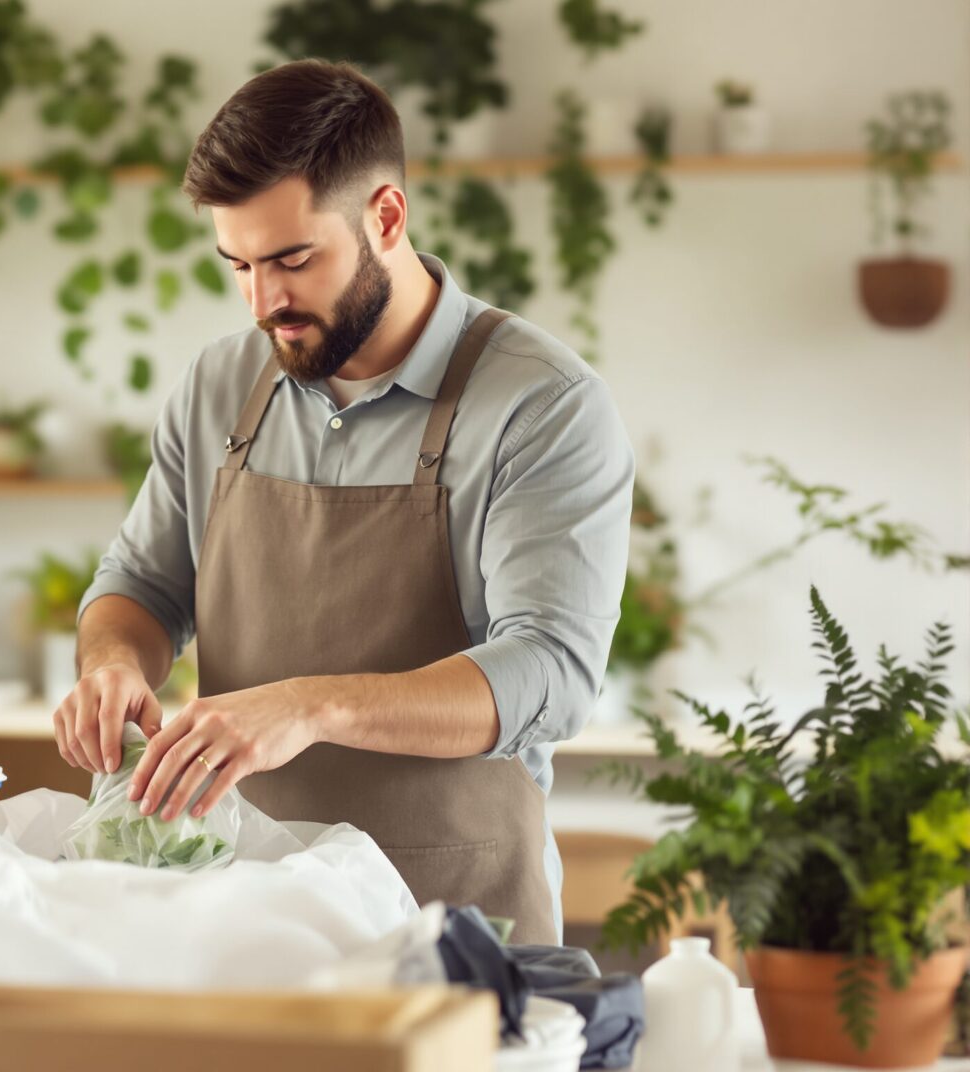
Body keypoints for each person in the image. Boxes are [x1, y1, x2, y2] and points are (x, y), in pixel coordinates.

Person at [53, 60, 633, 943]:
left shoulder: (540, 403)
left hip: (454, 928)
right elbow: (141, 583)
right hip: (245, 919)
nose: (265, 302)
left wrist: (308, 707)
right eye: (238, 264)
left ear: (386, 216)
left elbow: (549, 671)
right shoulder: (220, 384)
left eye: (293, 259)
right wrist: (113, 666)